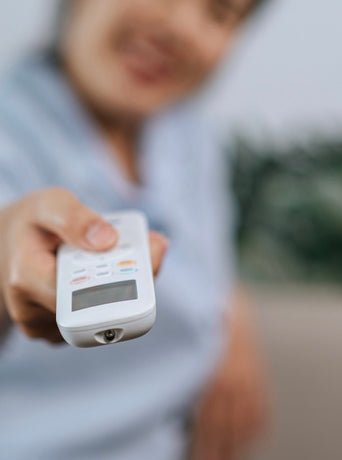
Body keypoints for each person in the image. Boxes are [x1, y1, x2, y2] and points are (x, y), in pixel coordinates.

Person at [0, 1, 268, 459]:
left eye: (221, 12)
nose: (181, 28)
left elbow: (208, 265)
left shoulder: (190, 137)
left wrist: (231, 317)